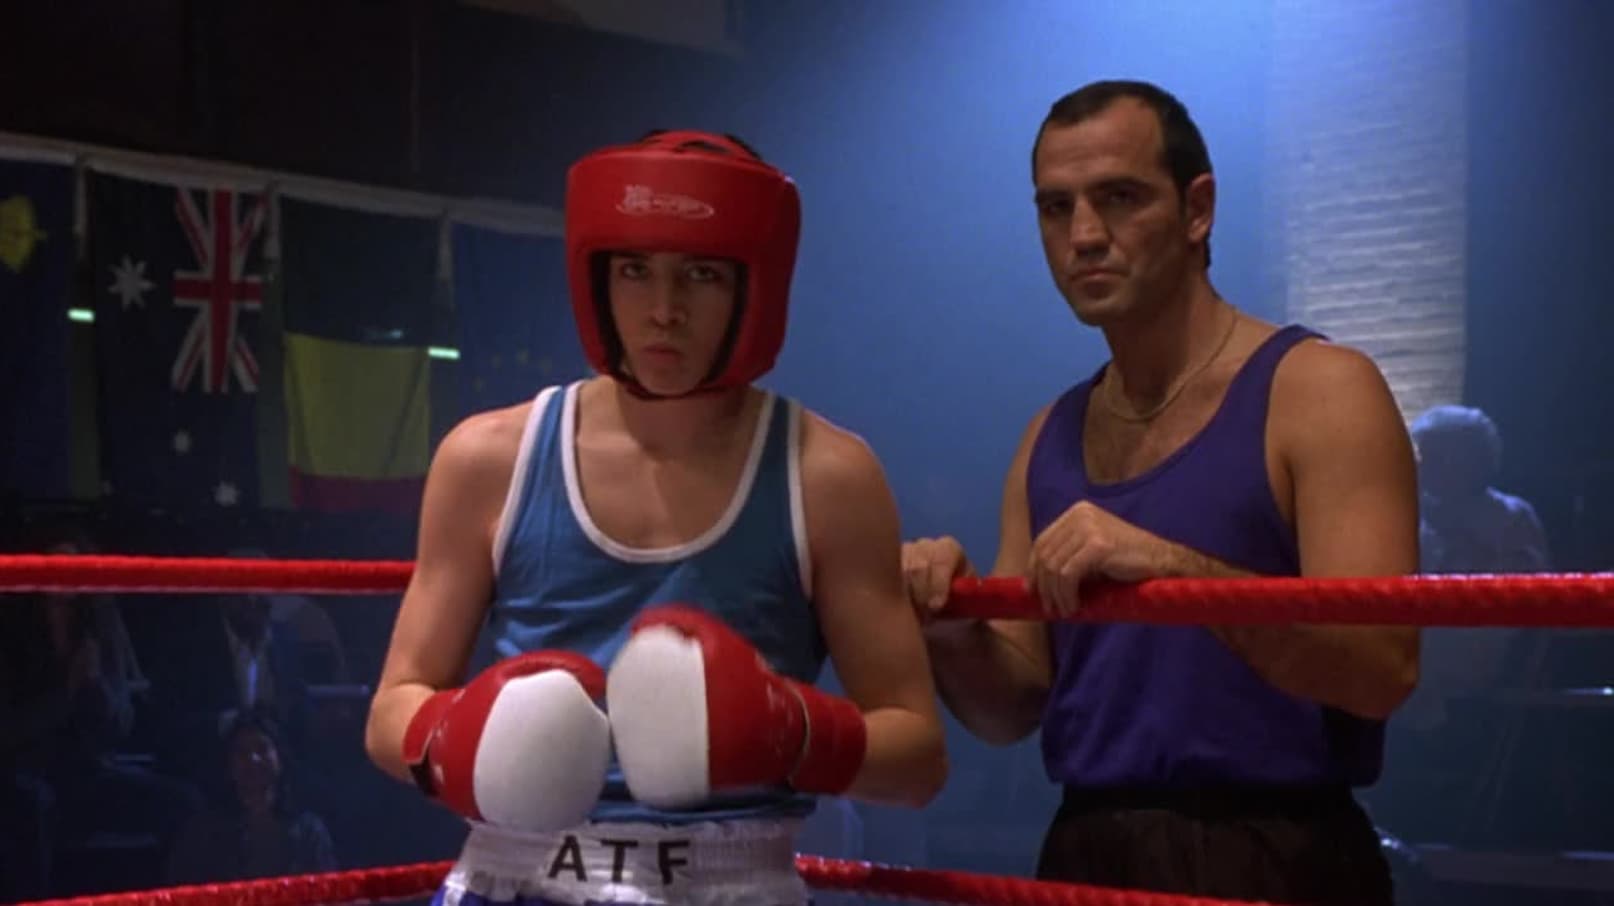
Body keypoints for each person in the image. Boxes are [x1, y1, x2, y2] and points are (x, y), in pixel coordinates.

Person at [365, 130, 946, 906]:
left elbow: (917, 758)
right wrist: (452, 740)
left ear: (753, 286)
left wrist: (793, 731)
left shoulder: (827, 475)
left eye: (701, 274)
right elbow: (392, 708)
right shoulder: (488, 459)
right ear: (598, 279)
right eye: (635, 270)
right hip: (513, 872)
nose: (664, 311)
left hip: (732, 881)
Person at [901, 80, 1421, 904]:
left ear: (1196, 209)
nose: (1084, 235)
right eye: (1056, 207)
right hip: (1085, 849)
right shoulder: (1048, 434)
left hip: (1276, 855)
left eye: (1119, 197)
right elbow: (1012, 709)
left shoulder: (1321, 389)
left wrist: (1172, 570)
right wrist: (954, 630)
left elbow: (1381, 668)